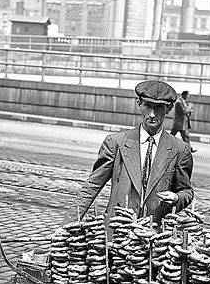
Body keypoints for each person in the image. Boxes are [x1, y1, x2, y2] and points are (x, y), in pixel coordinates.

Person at [69, 79, 194, 227]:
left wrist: (176, 198)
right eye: (147, 106)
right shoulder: (115, 143)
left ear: (169, 109)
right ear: (139, 104)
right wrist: (66, 227)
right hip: (116, 231)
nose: (152, 114)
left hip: (154, 234)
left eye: (159, 108)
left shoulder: (180, 149)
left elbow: (186, 191)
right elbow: (92, 186)